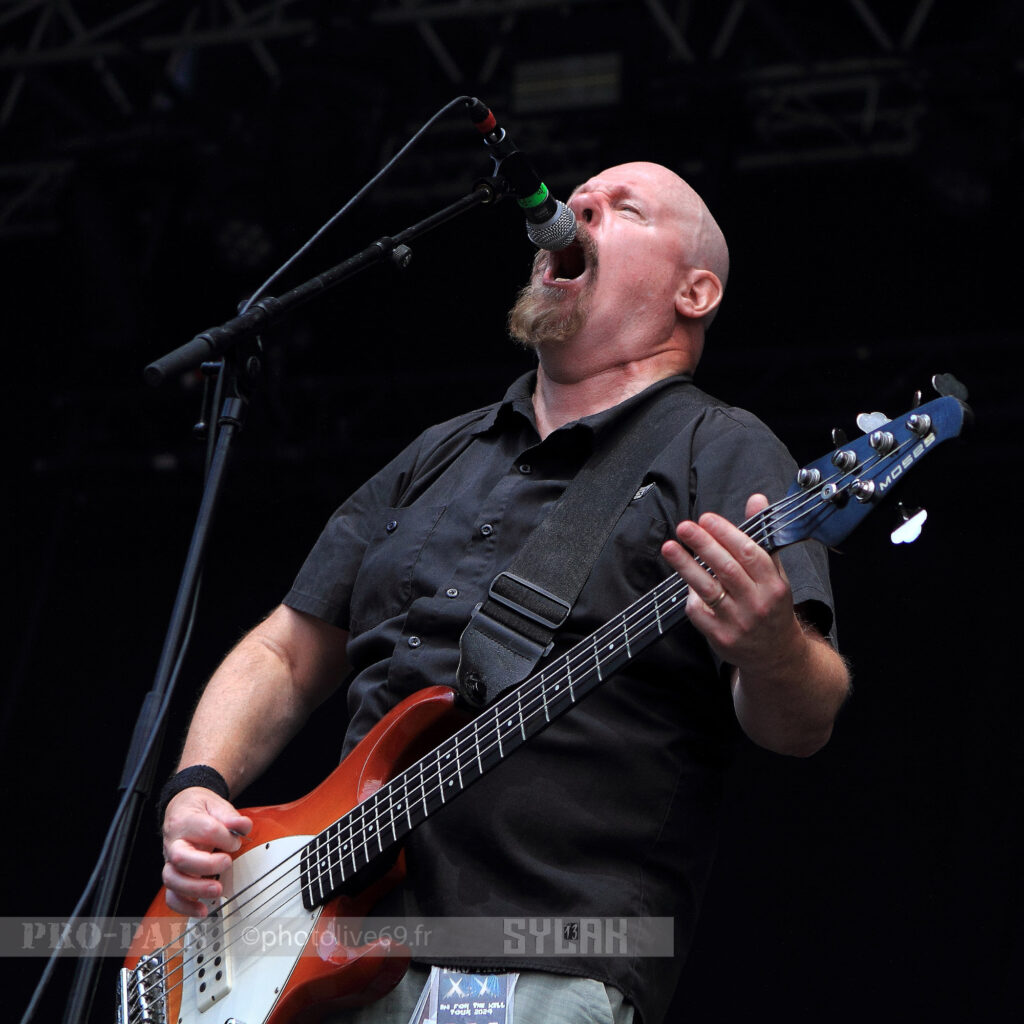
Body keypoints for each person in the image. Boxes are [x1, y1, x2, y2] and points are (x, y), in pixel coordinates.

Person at [159, 162, 851, 1024]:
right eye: (580, 196)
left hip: (536, 953)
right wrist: (199, 783)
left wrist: (773, 647)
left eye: (622, 208)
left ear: (695, 292)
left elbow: (803, 722)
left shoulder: (721, 449)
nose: (576, 206)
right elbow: (284, 651)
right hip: (322, 946)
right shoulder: (436, 453)